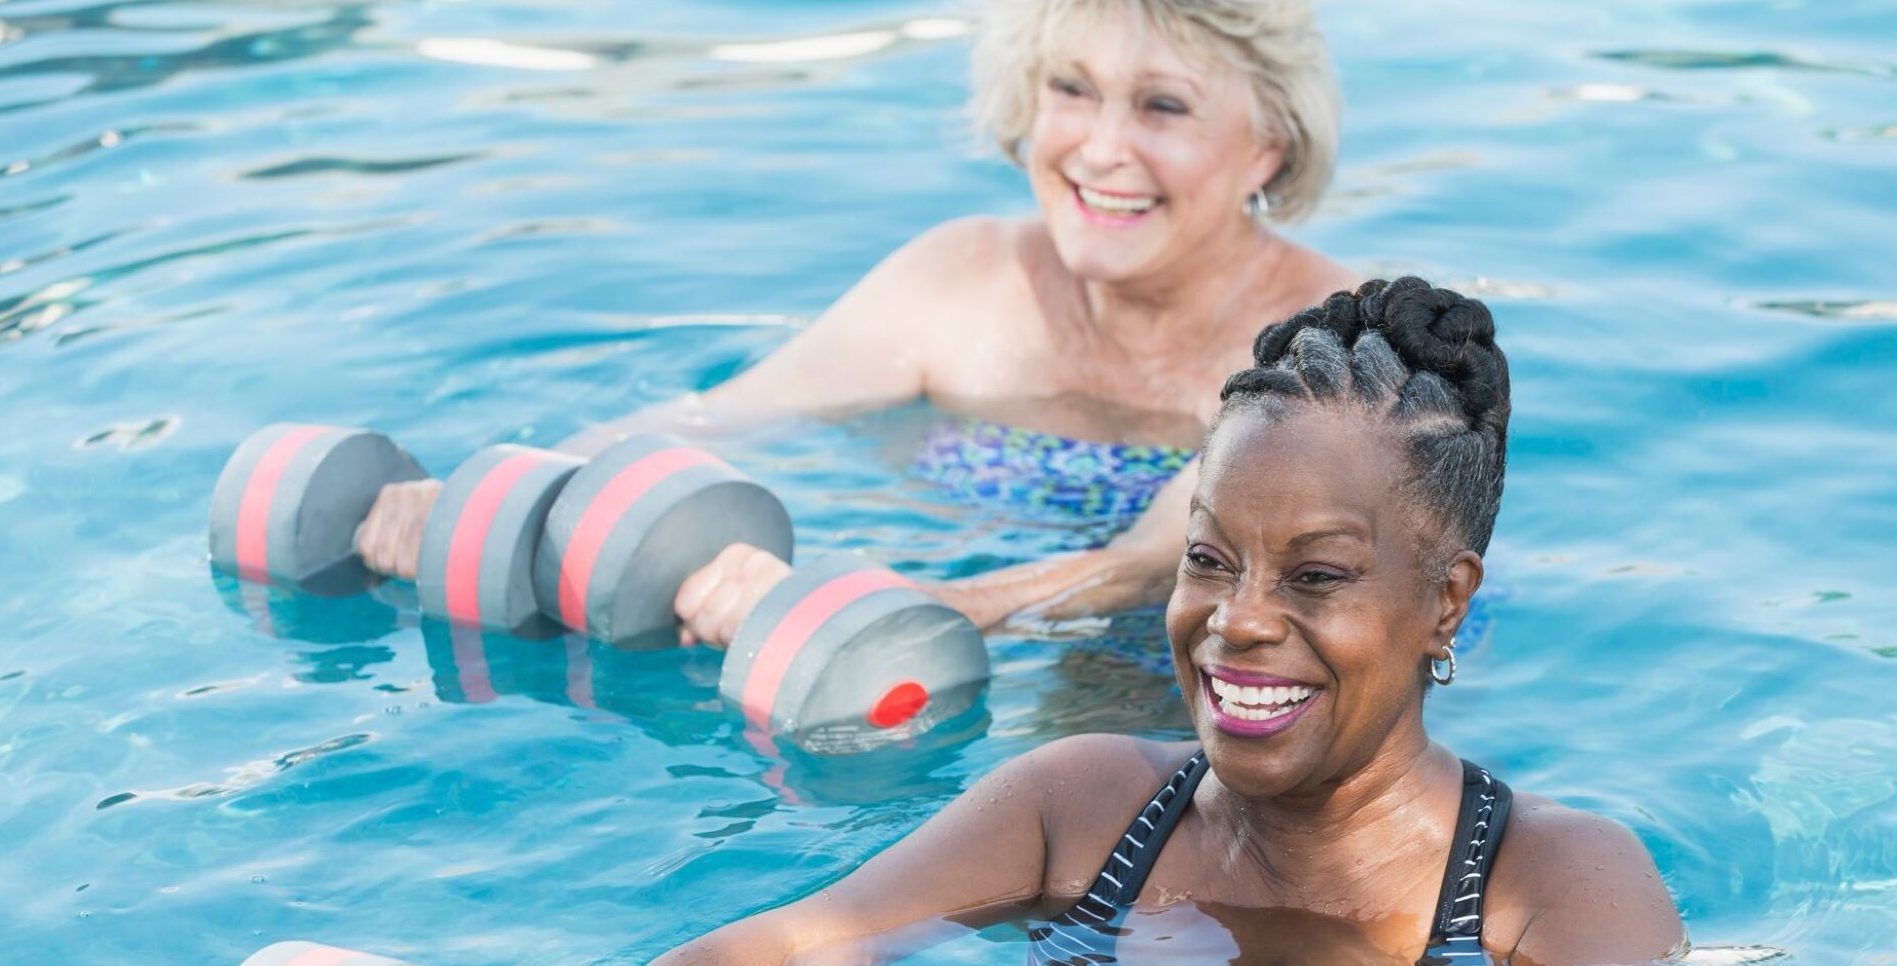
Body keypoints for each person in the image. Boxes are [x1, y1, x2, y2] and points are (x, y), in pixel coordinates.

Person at [651, 279, 1688, 965]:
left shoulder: (1547, 885)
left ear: (1445, 602)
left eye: (1317, 576)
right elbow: (793, 944)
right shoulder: (1081, 810)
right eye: (1208, 560)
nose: (1236, 622)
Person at [354, 0, 1358, 644]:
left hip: (1245, 657)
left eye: (1162, 108)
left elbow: (1150, 567)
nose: (1100, 148)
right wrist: (490, 495)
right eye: (1070, 90)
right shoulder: (961, 275)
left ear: (1267, 145)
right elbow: (714, 418)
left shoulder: (1328, 344)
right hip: (976, 614)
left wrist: (861, 608)